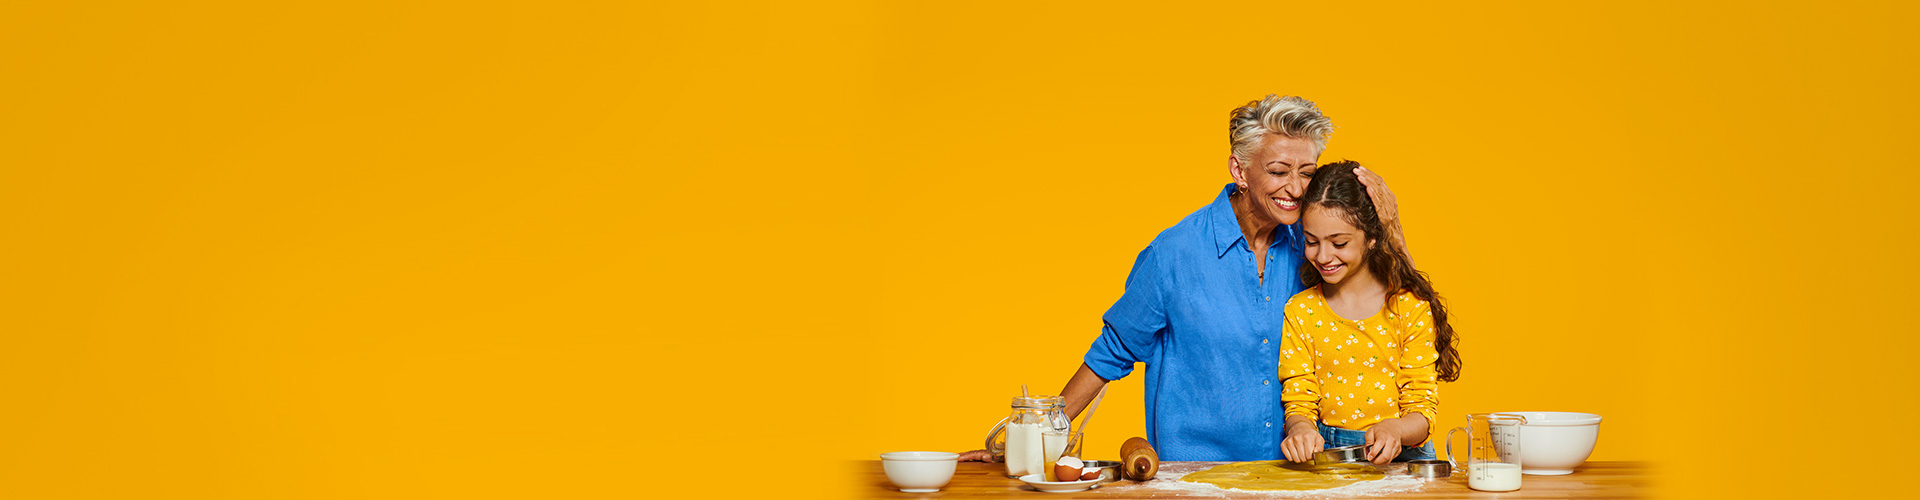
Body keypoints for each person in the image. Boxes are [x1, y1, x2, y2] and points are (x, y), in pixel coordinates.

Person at [958, 95, 1409, 462]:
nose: (1294, 188)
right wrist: (1034, 442)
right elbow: (1111, 353)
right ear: (1239, 170)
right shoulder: (1173, 254)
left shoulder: (1314, 246)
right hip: (1192, 481)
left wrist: (1389, 226)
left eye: (1306, 173)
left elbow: (1390, 306)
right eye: (1277, 172)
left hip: (1291, 478)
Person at [1277, 161, 1461, 464]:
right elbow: (1299, 398)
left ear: (1372, 237)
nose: (1322, 256)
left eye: (1339, 243)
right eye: (1311, 242)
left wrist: (1395, 429)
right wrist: (1301, 429)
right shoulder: (1302, 310)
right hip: (1332, 458)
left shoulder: (1408, 306)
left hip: (1404, 460)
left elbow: (1422, 410)